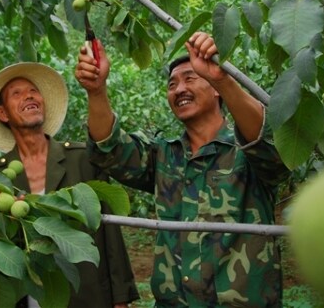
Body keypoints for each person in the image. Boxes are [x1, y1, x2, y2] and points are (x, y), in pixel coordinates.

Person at [75, 32, 291, 307]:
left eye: (190, 78)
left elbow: (272, 148)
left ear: (215, 89)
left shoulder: (245, 152)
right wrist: (96, 91)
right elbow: (110, 150)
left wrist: (223, 79)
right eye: (172, 84)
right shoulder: (164, 155)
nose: (179, 90)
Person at [0, 62, 139, 308]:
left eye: (33, 90)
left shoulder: (82, 159)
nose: (29, 96)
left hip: (87, 297)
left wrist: (121, 298)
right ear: (2, 113)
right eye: (17, 93)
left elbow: (110, 234)